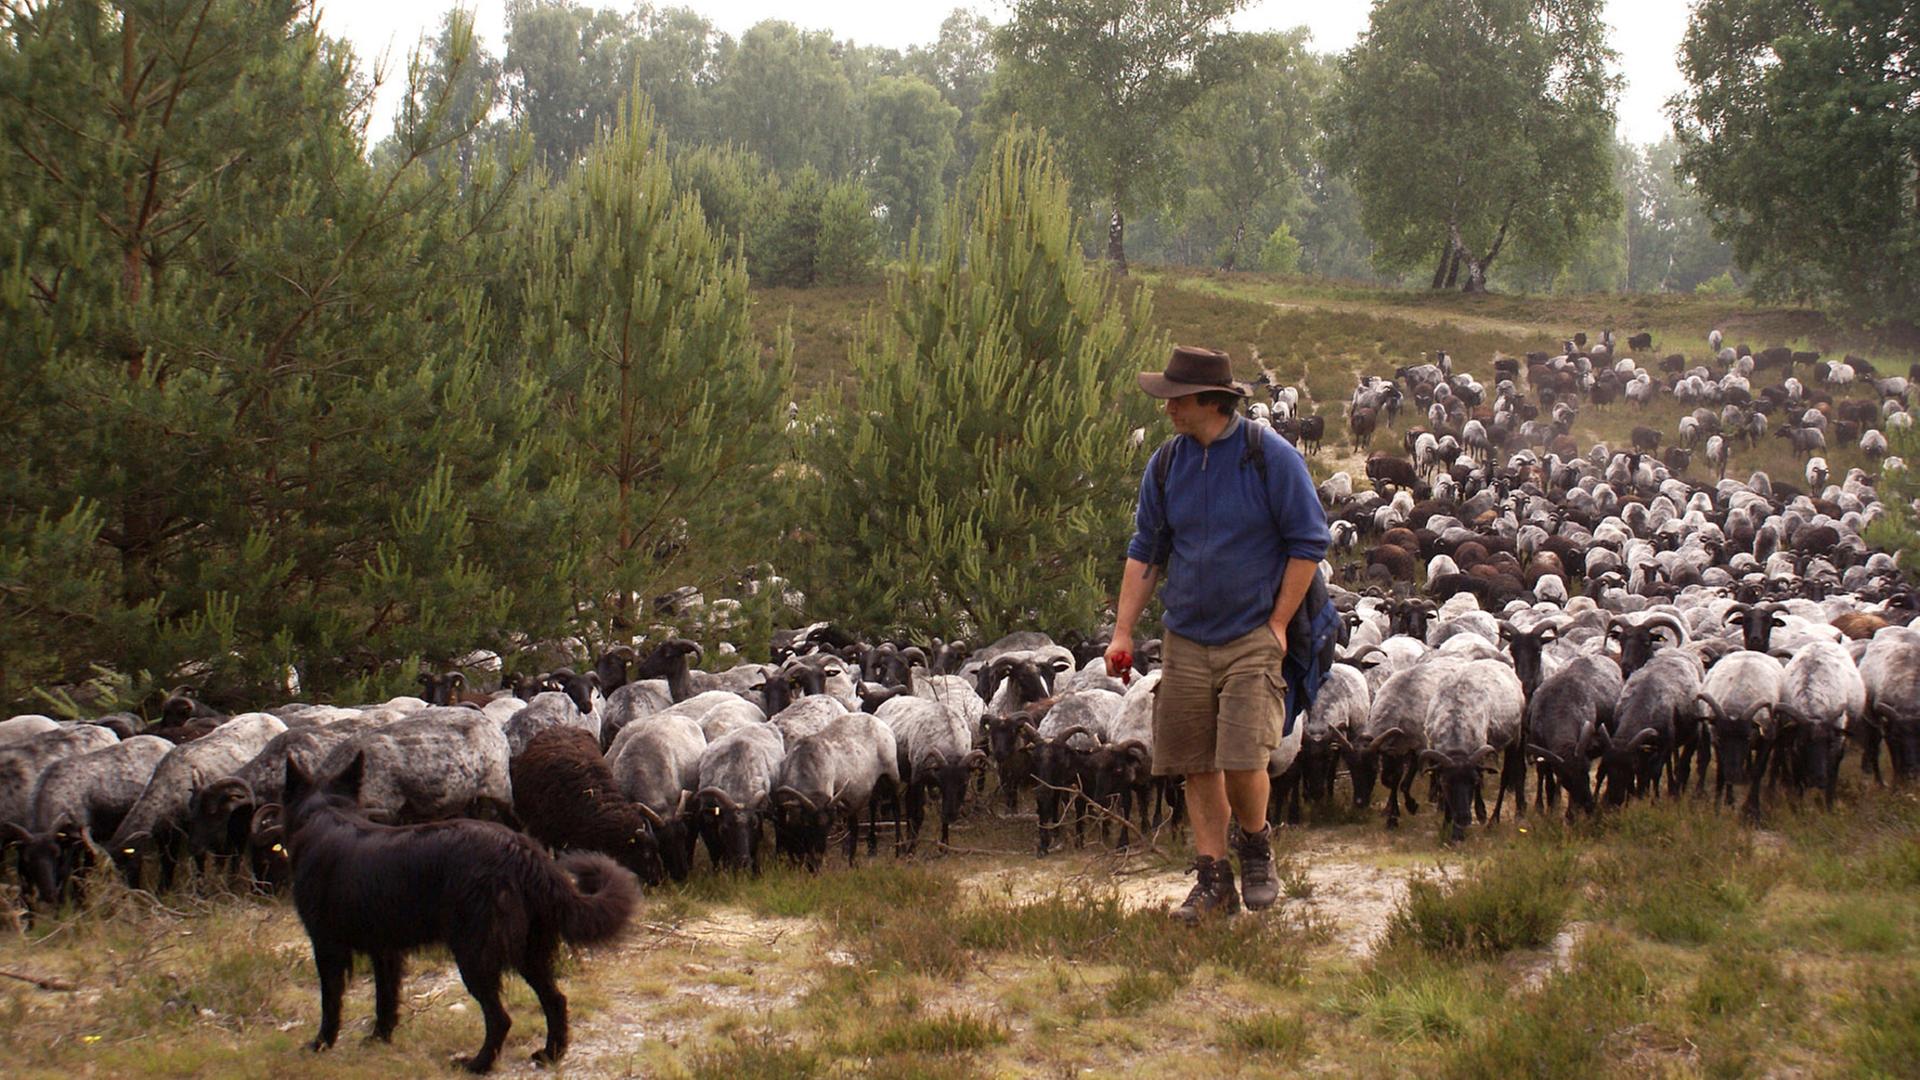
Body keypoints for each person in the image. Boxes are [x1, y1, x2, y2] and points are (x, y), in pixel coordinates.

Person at [1105, 345, 1330, 923]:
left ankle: (1255, 845)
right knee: (1194, 761)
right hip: (1184, 636)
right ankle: (1213, 879)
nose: (1167, 410)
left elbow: (1309, 543)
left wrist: (1279, 623)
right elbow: (1146, 550)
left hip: (1252, 633)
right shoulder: (1165, 463)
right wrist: (1123, 629)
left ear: (1210, 401)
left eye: (1175, 400)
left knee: (1241, 757)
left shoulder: (1269, 458)